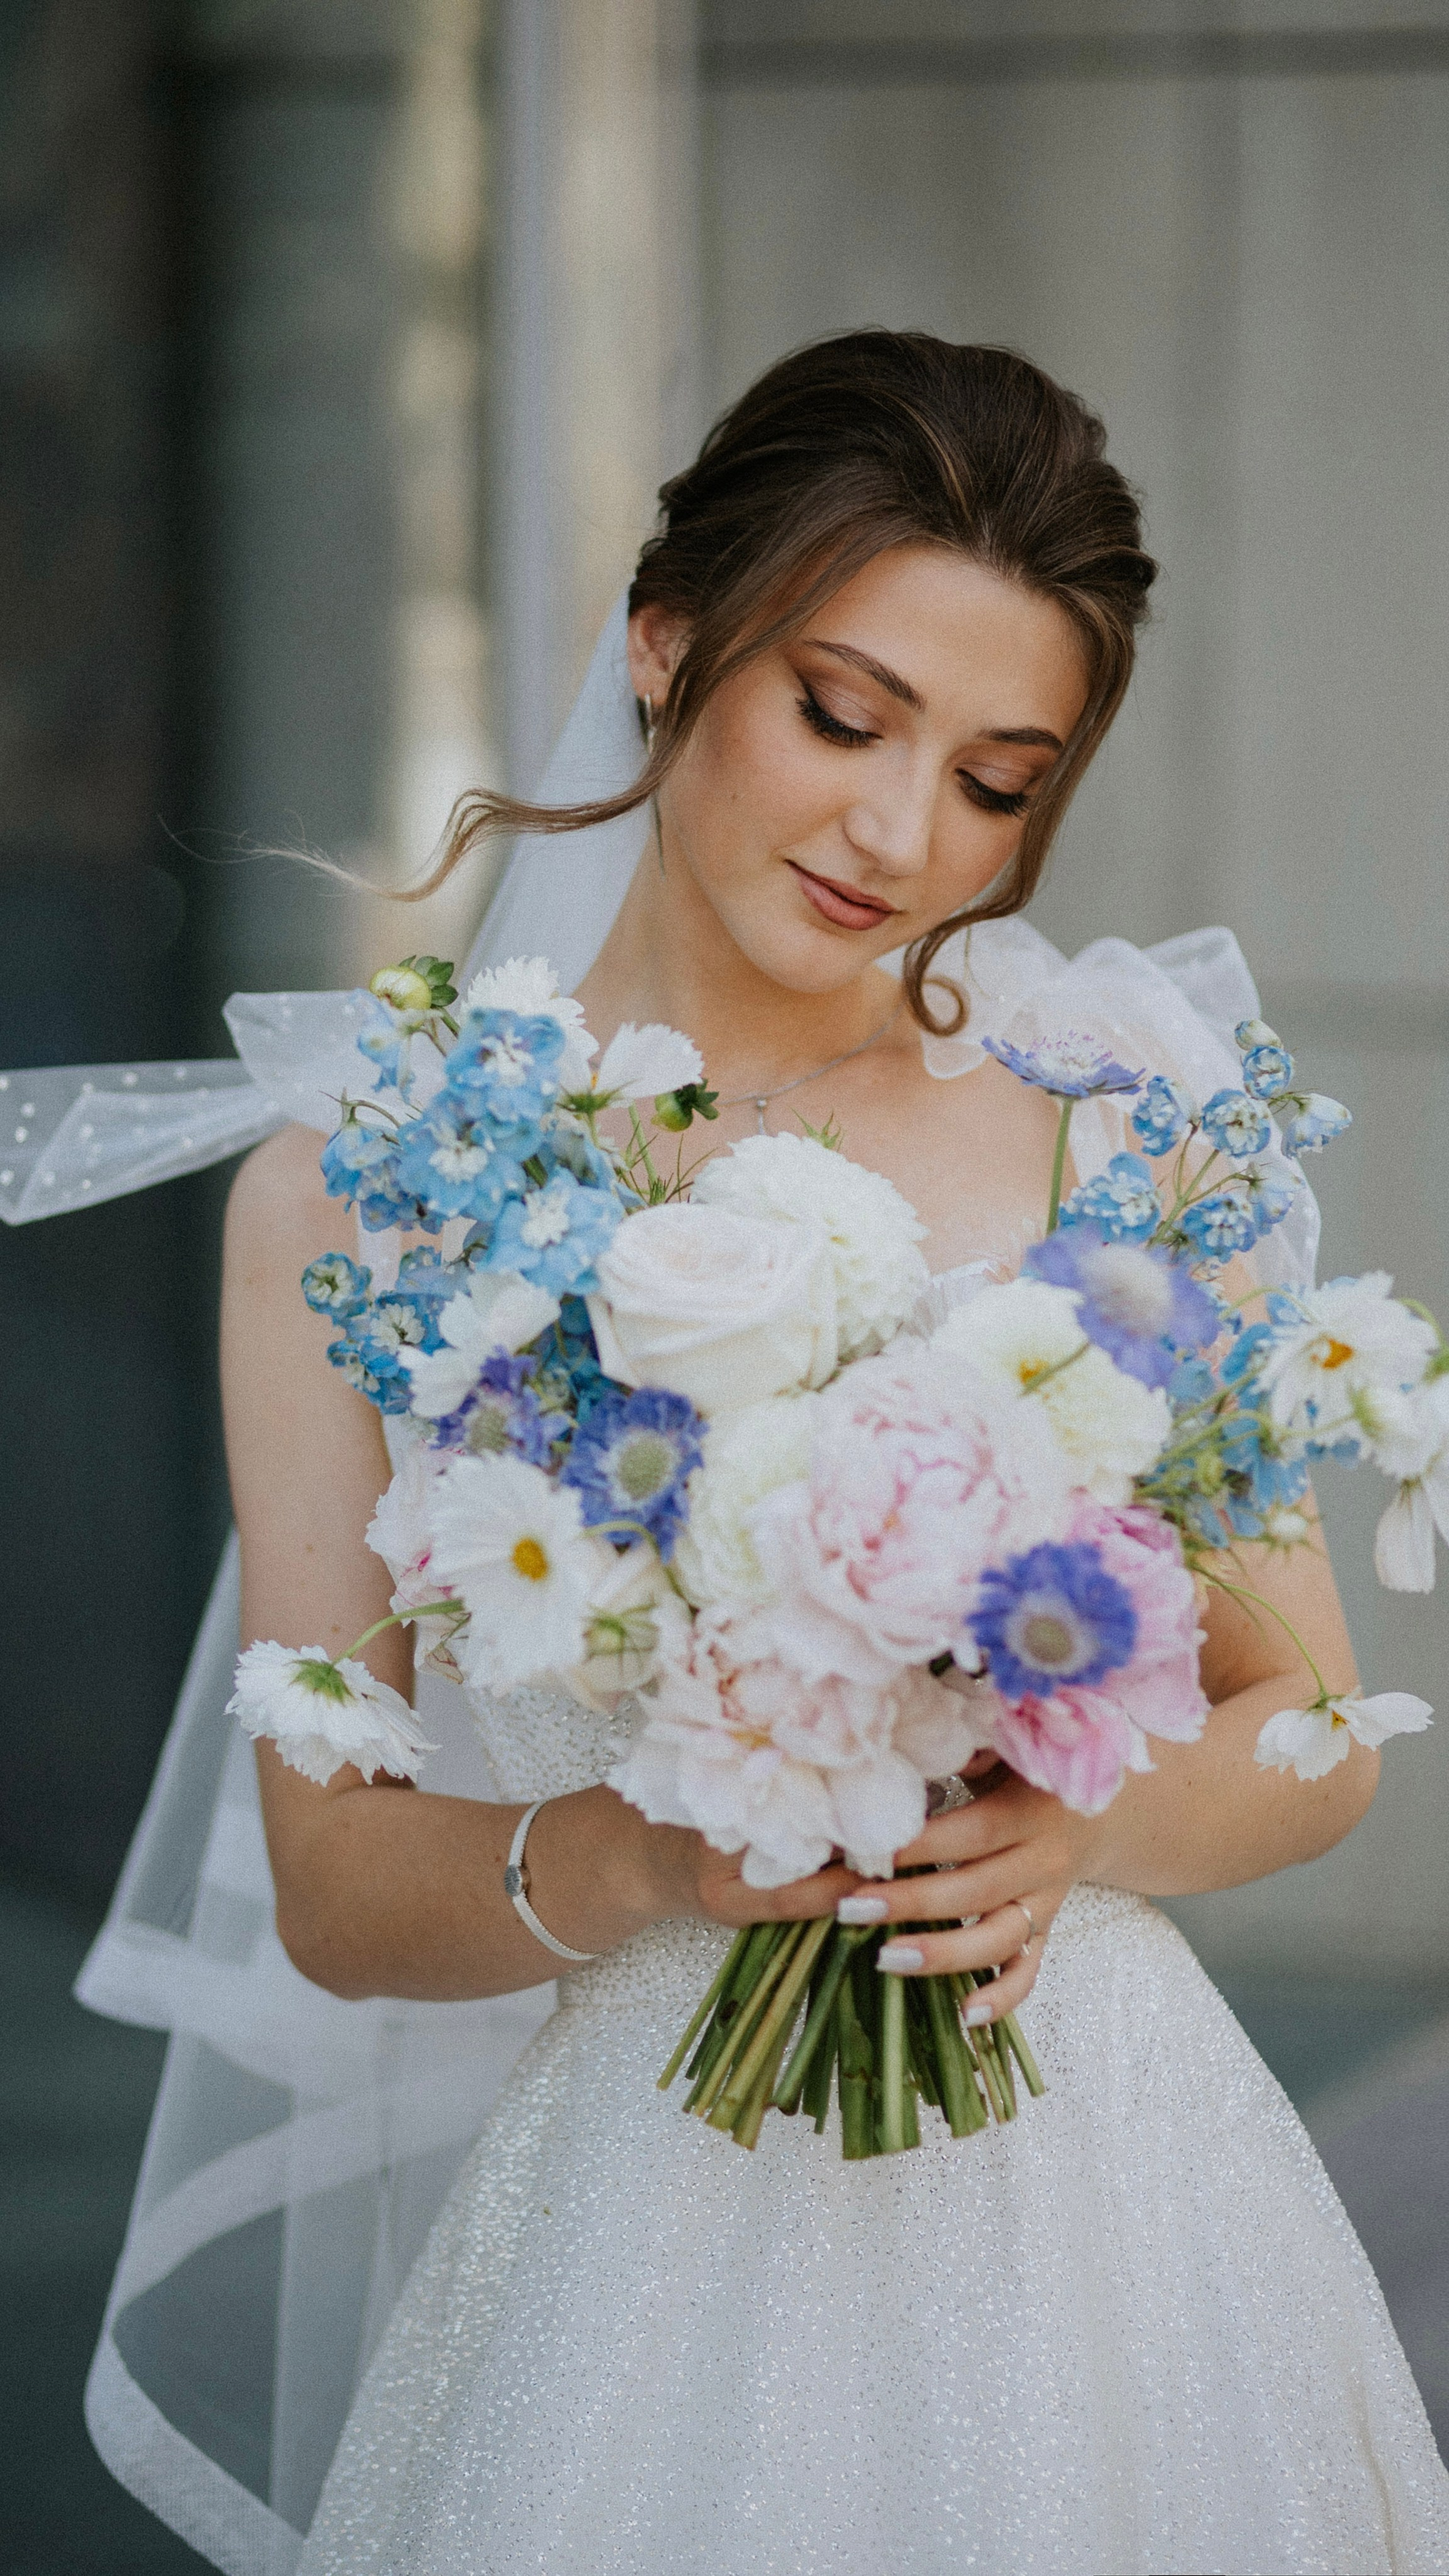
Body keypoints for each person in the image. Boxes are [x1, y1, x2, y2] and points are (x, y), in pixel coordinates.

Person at [35, 333, 1449, 2572]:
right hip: (641, 2219)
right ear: (669, 638)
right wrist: (654, 1847)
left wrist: (1070, 1829)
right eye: (843, 716)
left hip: (1115, 2221)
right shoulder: (366, 1190)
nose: (905, 837)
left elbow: (1323, 1734)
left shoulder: (1120, 1122)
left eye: (999, 781)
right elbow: (334, 1887)